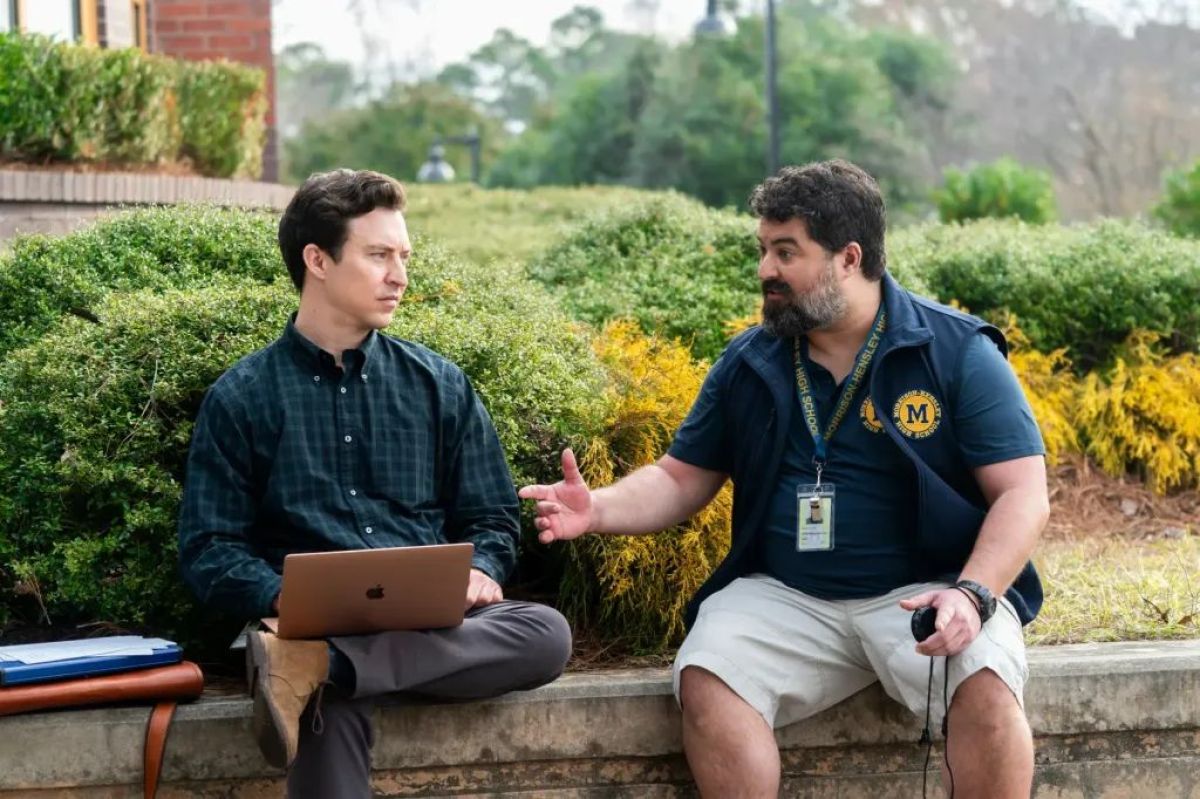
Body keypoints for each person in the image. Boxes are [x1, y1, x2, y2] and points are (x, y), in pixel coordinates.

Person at [520, 160, 1048, 798]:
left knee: (987, 686)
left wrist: (973, 593)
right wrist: (596, 509)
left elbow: (1022, 494)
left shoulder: (957, 351)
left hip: (928, 592)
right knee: (709, 675)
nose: (766, 270)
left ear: (848, 257)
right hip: (789, 597)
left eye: (786, 251)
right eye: (764, 250)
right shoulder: (753, 360)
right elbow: (680, 477)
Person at [178, 169, 572, 798]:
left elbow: (492, 515)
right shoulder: (244, 397)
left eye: (404, 256)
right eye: (379, 255)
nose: (400, 276)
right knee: (317, 705)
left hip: (428, 630)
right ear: (318, 260)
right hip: (310, 626)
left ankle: (325, 670)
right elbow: (208, 548)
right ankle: (319, 663)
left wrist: (484, 570)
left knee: (545, 634)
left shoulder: (438, 385)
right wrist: (284, 597)